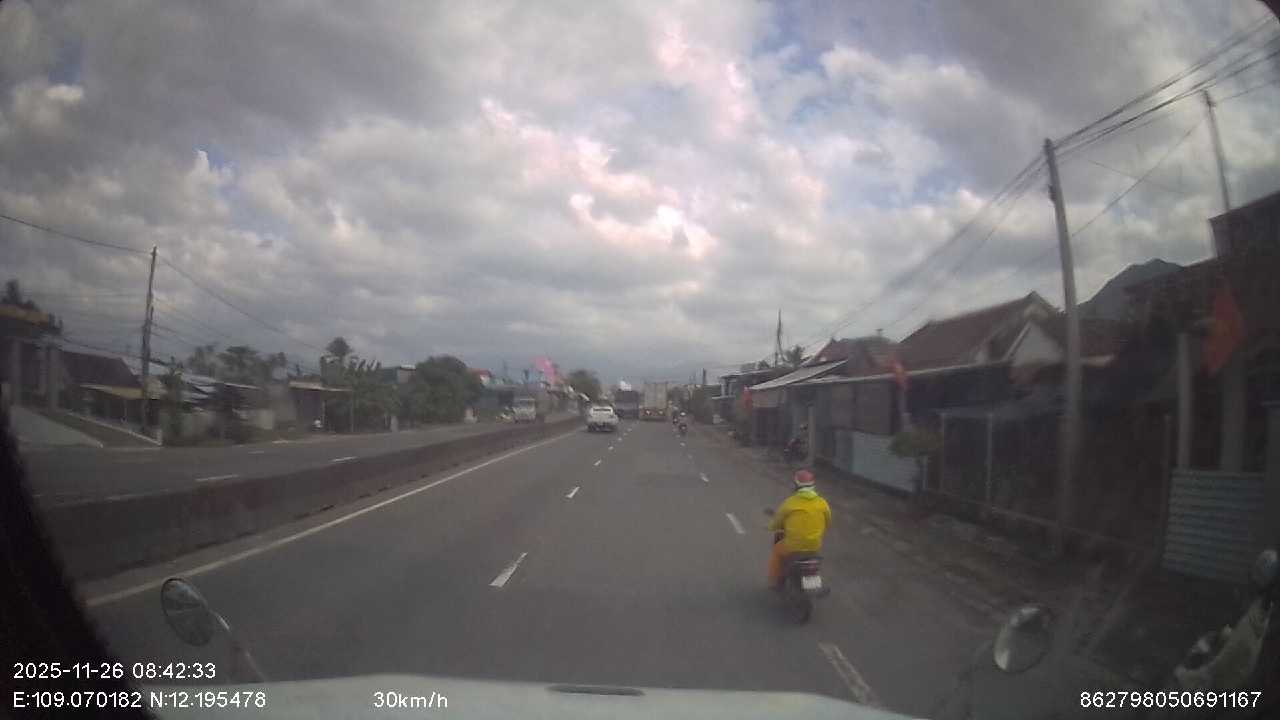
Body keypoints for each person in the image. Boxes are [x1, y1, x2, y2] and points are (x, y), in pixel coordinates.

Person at [767, 469, 831, 590]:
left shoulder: (790, 503)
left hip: (793, 547)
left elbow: (777, 523)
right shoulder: (822, 503)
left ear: (796, 485)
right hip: (814, 547)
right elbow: (828, 522)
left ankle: (776, 581)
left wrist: (770, 527)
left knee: (777, 550)